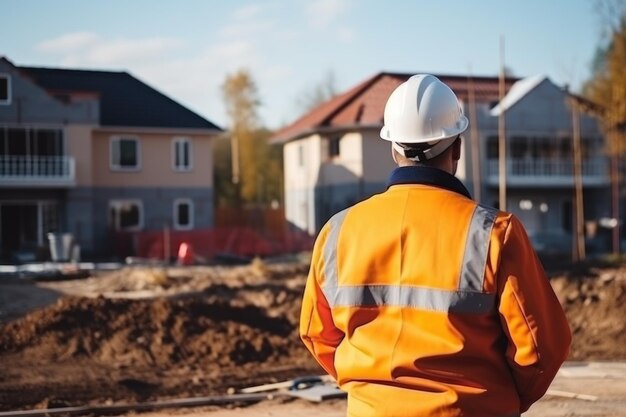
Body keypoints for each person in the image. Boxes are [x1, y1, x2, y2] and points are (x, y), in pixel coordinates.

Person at [299, 74, 571, 417]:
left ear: (393, 147)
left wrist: (372, 393)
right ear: (456, 147)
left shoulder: (337, 231)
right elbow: (541, 347)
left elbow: (316, 335)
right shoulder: (494, 233)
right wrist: (505, 401)